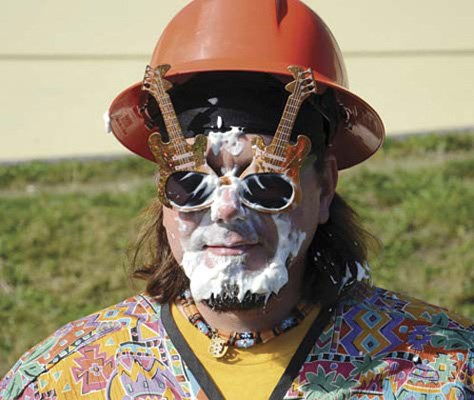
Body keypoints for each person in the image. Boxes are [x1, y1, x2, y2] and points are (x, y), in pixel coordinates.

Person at [1, 0, 473, 399]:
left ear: (324, 188)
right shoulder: (66, 381)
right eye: (190, 185)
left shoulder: (443, 372)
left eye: (266, 186)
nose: (225, 210)